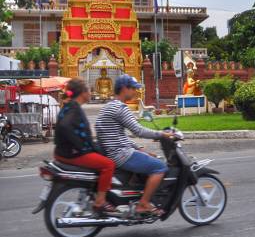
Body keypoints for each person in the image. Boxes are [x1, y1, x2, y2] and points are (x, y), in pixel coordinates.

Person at [95, 75, 171, 217]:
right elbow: (138, 130)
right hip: (121, 155)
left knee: (149, 157)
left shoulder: (109, 106)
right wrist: (161, 134)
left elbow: (119, 135)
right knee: (160, 167)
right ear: (125, 88)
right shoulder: (120, 108)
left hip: (114, 152)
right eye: (134, 89)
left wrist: (139, 149)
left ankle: (137, 196)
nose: (136, 92)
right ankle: (144, 204)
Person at [54, 78, 116, 215]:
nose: (91, 93)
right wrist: (80, 146)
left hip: (63, 151)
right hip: (72, 153)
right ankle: (100, 201)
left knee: (103, 154)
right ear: (82, 93)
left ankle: (98, 192)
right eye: (89, 90)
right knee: (108, 165)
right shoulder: (74, 108)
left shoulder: (70, 105)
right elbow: (64, 126)